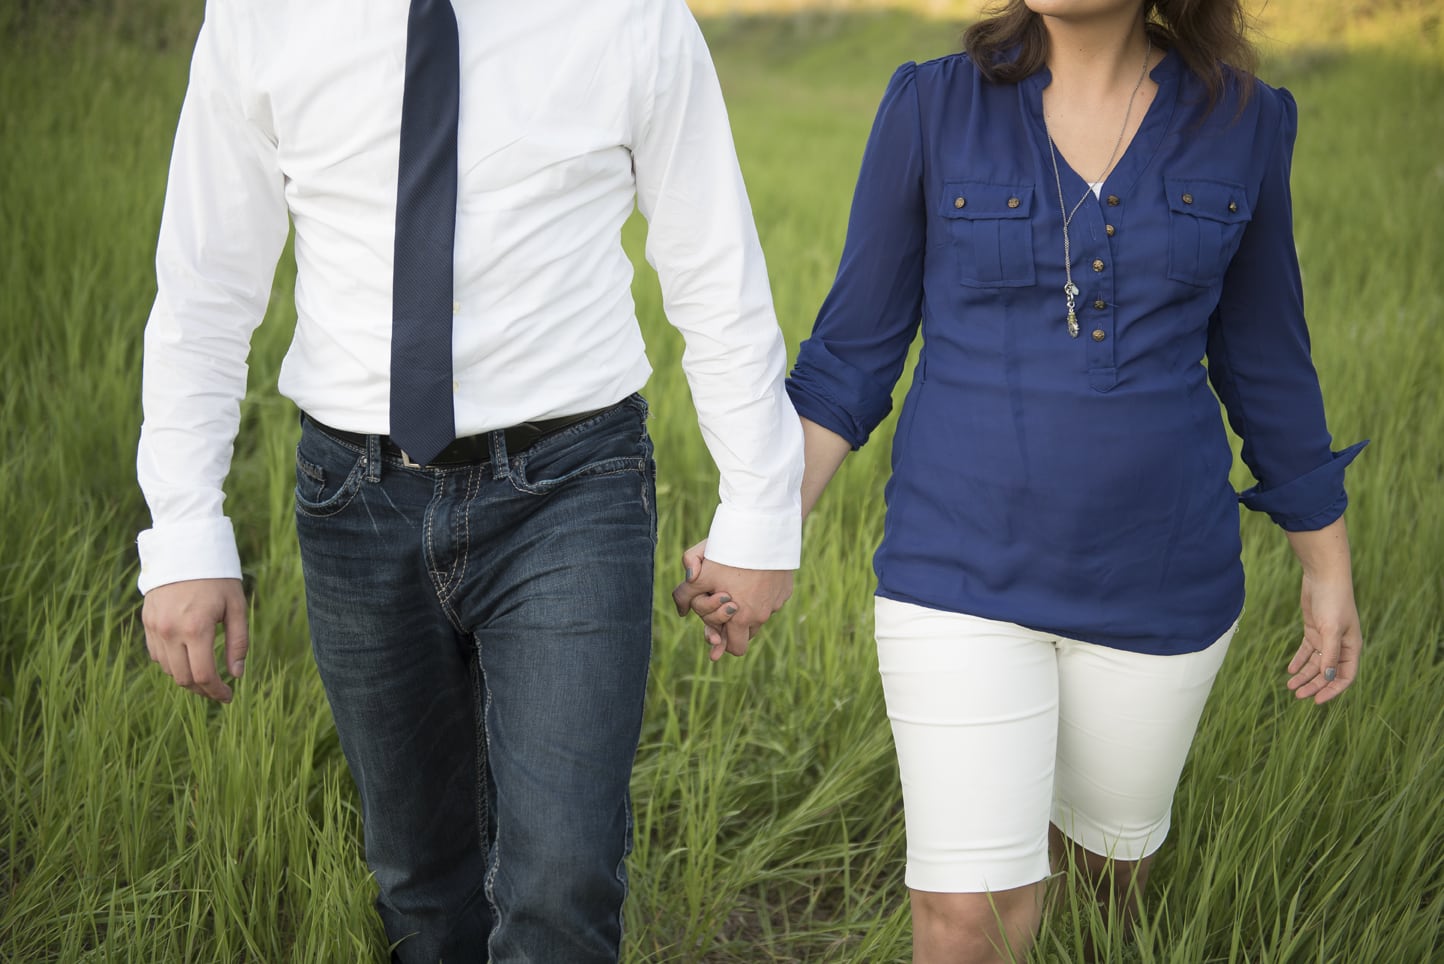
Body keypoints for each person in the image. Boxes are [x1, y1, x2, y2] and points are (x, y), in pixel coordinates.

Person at [675, 0, 1366, 959]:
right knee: (971, 911)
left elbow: (1268, 367)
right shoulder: (932, 106)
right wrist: (757, 527)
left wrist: (1326, 567)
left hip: (1162, 581)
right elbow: (852, 359)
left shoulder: (1245, 118)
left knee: (1105, 877)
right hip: (956, 572)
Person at [136, 1, 801, 960]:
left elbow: (713, 265)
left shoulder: (631, 13)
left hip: (572, 485)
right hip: (355, 496)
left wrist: (760, 511)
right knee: (419, 882)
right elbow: (205, 282)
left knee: (563, 887)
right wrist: (186, 527)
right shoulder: (263, 12)